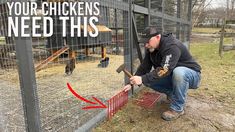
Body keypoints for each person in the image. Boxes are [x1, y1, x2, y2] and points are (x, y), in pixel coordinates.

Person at [123, 27, 201, 121]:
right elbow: (144, 67)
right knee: (149, 79)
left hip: (192, 75)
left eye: (148, 42)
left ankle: (177, 108)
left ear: (157, 37)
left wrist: (142, 79)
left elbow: (164, 70)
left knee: (179, 72)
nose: (146, 45)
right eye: (144, 42)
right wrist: (131, 82)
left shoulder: (171, 46)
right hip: (172, 75)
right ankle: (173, 94)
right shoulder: (151, 48)